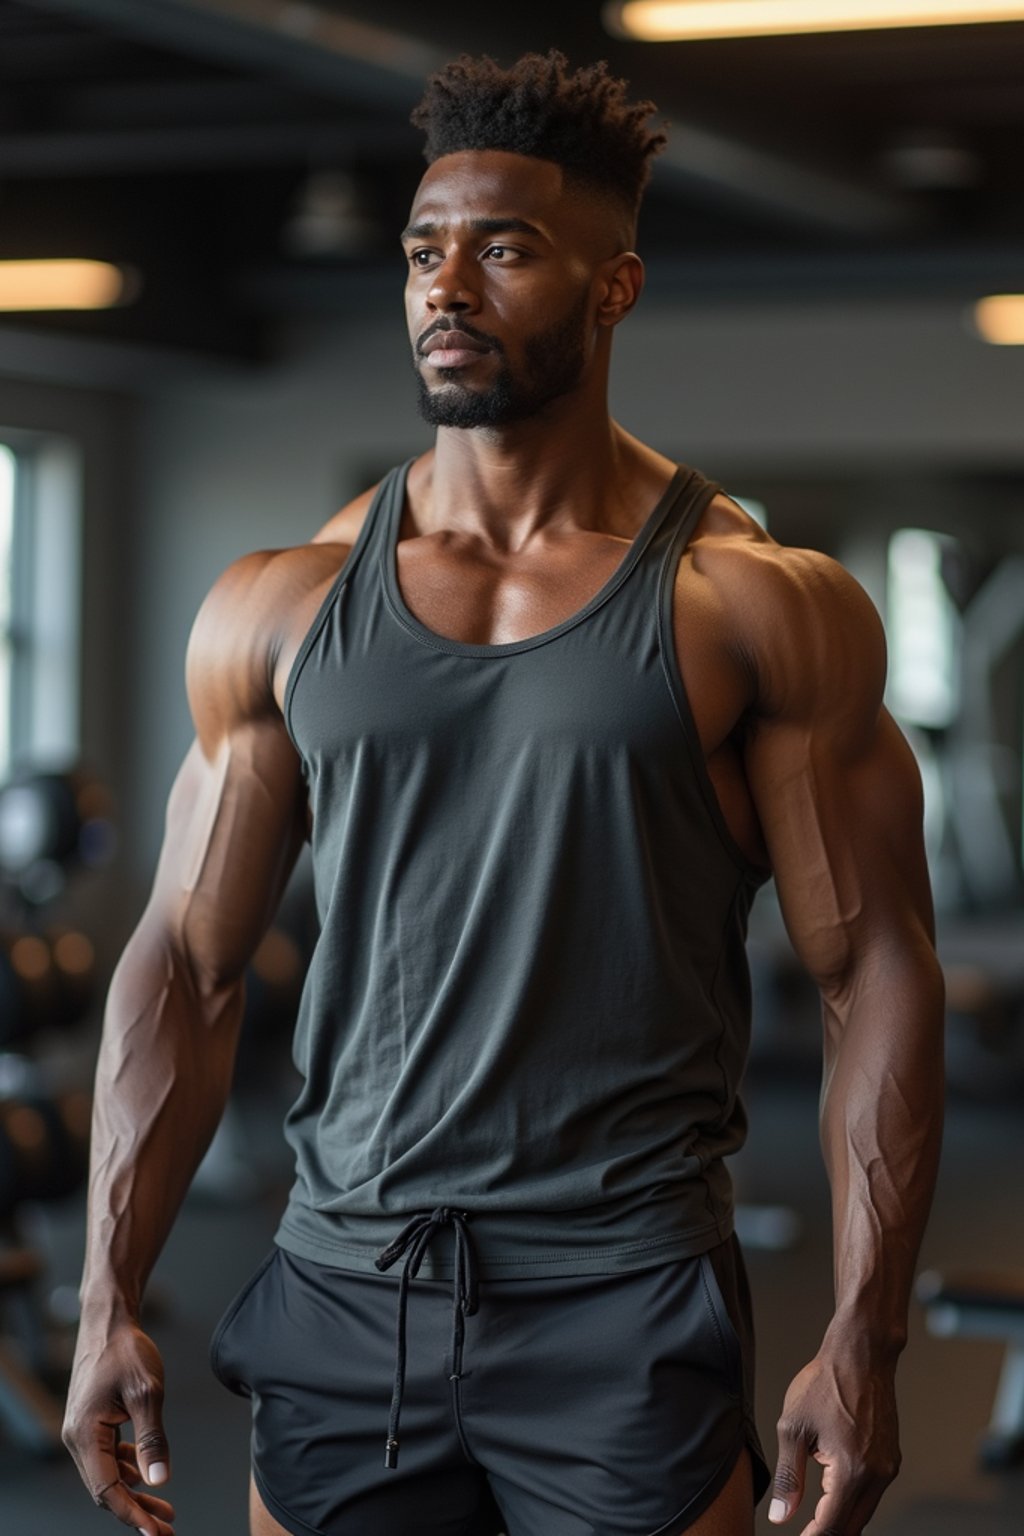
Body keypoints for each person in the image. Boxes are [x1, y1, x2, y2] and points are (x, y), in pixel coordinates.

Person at [62, 50, 945, 1536]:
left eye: (505, 248)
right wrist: (104, 1297)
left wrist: (865, 1339)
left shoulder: (751, 605)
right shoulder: (284, 606)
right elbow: (189, 968)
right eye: (422, 250)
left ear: (617, 289)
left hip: (622, 1300)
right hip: (344, 1288)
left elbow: (876, 977)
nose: (445, 286)